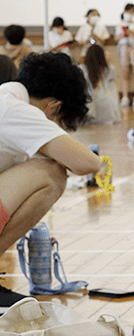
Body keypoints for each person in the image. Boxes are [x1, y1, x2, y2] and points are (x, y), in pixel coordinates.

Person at [0, 52, 102, 311]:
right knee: (51, 172)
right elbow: (89, 163)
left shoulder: (7, 97)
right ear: (53, 107)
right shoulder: (16, 109)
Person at [79, 44, 121, 125]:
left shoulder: (81, 68)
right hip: (107, 110)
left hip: (87, 106)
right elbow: (115, 78)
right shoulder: (109, 69)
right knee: (112, 88)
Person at [115, 3, 134, 107]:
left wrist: (132, 32)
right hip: (124, 47)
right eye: (128, 11)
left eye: (132, 11)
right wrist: (124, 33)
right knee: (125, 72)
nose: (130, 14)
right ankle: (125, 97)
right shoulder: (120, 25)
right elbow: (116, 38)